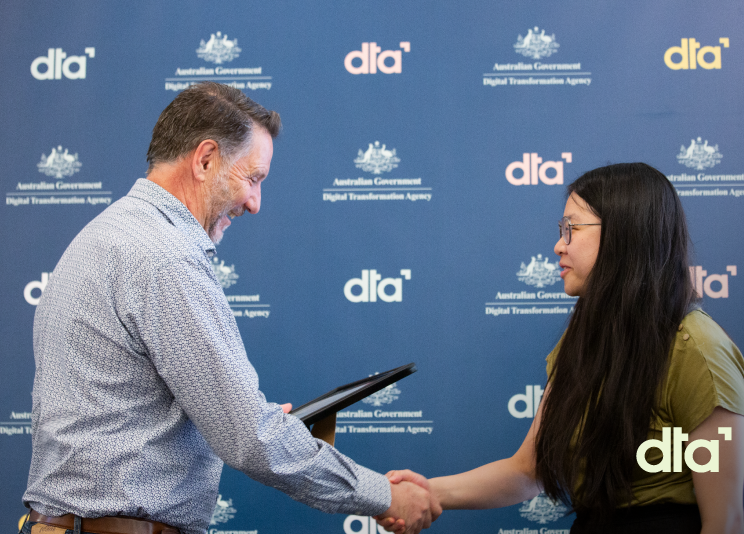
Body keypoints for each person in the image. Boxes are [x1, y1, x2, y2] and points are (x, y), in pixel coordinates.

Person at [22, 82, 438, 534]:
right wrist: (384, 495)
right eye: (252, 178)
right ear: (204, 160)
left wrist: (239, 416)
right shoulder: (167, 258)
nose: (255, 203)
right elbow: (249, 438)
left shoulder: (109, 234)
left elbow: (124, 414)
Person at [379, 163, 744, 533]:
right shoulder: (583, 340)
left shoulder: (699, 351)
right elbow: (528, 470)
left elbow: (725, 521)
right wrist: (429, 492)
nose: (558, 245)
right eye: (561, 230)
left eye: (572, 229)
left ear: (624, 233)